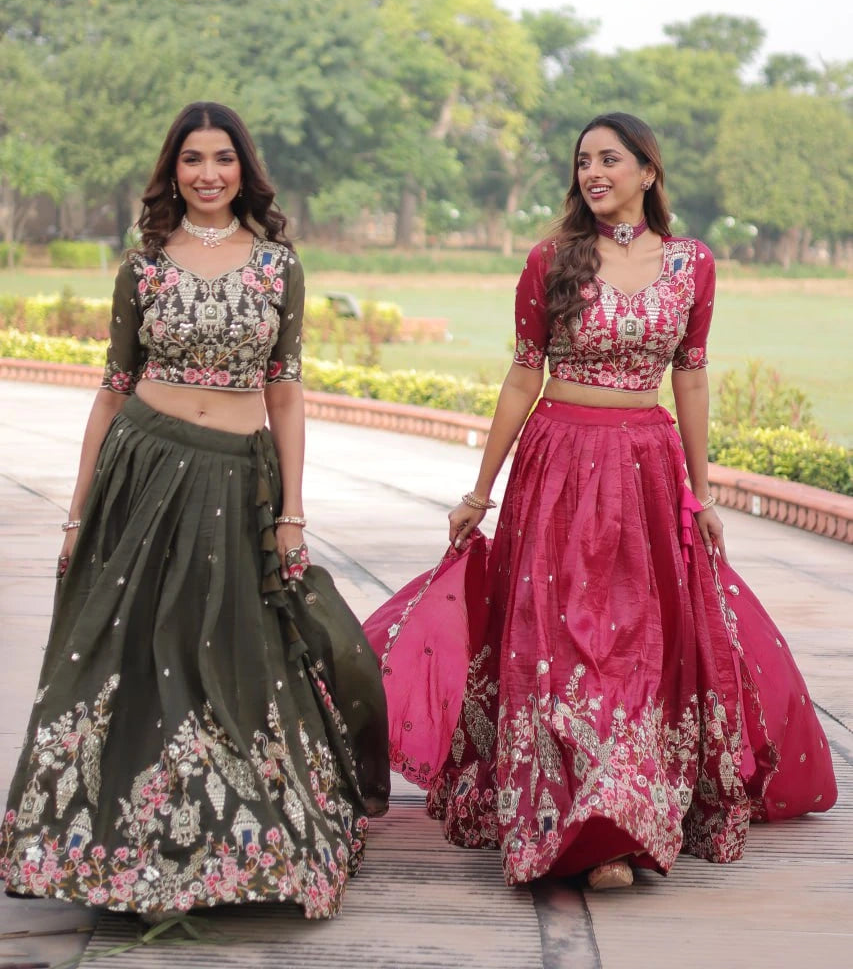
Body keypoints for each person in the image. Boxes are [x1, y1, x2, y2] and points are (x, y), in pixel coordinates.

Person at [364, 111, 836, 891]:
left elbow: (689, 373)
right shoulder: (550, 259)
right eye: (583, 161)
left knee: (634, 647)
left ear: (648, 172)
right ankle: (561, 819)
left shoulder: (691, 264)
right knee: (553, 646)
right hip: (556, 466)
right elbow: (522, 374)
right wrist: (477, 493)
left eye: (610, 160)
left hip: (645, 472)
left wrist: (701, 494)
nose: (593, 173)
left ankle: (618, 824)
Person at [1, 102, 389, 920]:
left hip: (234, 483)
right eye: (191, 160)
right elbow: (112, 388)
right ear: (170, 172)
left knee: (235, 656)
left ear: (244, 169)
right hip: (141, 473)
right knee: (133, 656)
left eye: (222, 159)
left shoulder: (279, 266)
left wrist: (290, 510)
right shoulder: (141, 266)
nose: (207, 174)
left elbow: (284, 390)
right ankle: (118, 846)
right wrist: (77, 515)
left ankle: (240, 845)